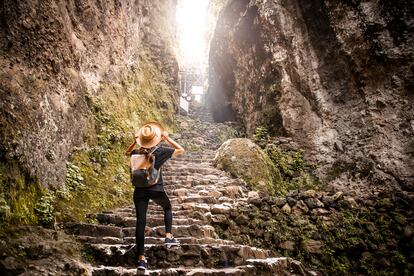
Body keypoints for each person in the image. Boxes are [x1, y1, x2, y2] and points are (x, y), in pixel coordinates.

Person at [125, 121, 185, 271]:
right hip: (155, 188)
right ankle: (168, 237)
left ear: (142, 140)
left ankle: (141, 260)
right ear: (156, 138)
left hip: (139, 190)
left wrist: (134, 142)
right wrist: (167, 138)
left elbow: (127, 152)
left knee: (141, 222)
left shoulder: (136, 152)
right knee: (167, 208)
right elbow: (180, 149)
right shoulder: (160, 151)